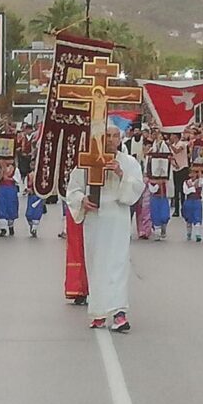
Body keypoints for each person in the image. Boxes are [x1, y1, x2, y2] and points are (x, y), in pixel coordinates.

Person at [65, 125, 144, 331]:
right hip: (96, 219)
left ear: (120, 139)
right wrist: (82, 200)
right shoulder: (87, 161)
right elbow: (73, 189)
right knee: (97, 264)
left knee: (118, 263)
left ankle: (119, 313)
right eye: (107, 135)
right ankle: (98, 312)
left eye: (115, 136)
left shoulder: (129, 163)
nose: (111, 139)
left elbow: (137, 187)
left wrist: (121, 174)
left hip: (118, 218)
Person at [0, 160, 19, 237]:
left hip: (11, 189)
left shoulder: (15, 169)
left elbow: (17, 180)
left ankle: (11, 225)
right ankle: (3, 228)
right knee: (1, 206)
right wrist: (2, 169)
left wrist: (9, 179)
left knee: (11, 207)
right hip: (2, 189)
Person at [169, 132, 190, 217]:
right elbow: (172, 156)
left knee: (182, 190)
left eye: (172, 135)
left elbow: (177, 151)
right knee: (176, 190)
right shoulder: (173, 145)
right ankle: (176, 210)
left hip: (183, 168)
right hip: (176, 168)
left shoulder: (182, 144)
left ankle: (184, 209)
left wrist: (170, 145)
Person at [182, 167, 203, 242]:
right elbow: (185, 191)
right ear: (189, 174)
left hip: (197, 202)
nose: (193, 174)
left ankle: (198, 234)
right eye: (192, 173)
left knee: (197, 218)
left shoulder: (199, 181)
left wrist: (200, 172)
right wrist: (193, 188)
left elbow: (201, 183)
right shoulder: (186, 182)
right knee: (188, 219)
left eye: (195, 173)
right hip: (188, 202)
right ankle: (189, 233)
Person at [24, 173, 44, 238]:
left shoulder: (43, 175)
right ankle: (32, 226)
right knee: (28, 214)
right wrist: (27, 190)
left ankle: (34, 229)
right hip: (31, 197)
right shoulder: (28, 176)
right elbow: (26, 187)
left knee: (37, 214)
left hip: (39, 197)